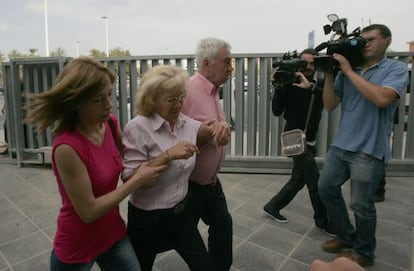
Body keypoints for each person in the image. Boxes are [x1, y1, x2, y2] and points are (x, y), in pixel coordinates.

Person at [24, 56, 165, 271]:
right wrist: (136, 181)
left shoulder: (109, 123)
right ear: (76, 102)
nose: (109, 104)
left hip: (112, 234)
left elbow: (133, 158)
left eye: (109, 94)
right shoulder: (67, 148)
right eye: (99, 99)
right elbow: (88, 212)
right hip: (77, 244)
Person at [318, 24, 409, 267]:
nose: (366, 43)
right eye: (363, 39)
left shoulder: (396, 69)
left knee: (361, 204)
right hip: (341, 145)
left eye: (372, 39)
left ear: (387, 41)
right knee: (326, 189)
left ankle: (364, 252)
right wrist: (329, 74)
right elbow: (329, 105)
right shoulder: (349, 70)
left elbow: (382, 99)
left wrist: (348, 72)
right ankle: (346, 236)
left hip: (369, 150)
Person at [122, 65, 217, 271]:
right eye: (171, 99)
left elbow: (208, 130)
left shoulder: (185, 123)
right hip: (147, 221)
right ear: (152, 99)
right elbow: (129, 180)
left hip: (181, 215)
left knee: (205, 267)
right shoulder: (138, 127)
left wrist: (221, 127)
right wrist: (168, 155)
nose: (178, 105)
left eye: (181, 97)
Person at [262, 49, 334, 236]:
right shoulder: (290, 84)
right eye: (305, 64)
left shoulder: (319, 85)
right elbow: (277, 111)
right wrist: (278, 86)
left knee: (298, 180)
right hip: (294, 138)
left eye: (312, 64)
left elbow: (328, 103)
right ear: (298, 64)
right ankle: (323, 221)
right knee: (315, 182)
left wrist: (310, 87)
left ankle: (272, 206)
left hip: (309, 139)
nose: (309, 68)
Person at [181, 37, 233, 271]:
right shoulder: (188, 90)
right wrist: (207, 133)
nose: (231, 67)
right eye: (226, 62)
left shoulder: (213, 91)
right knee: (181, 235)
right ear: (206, 64)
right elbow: (175, 132)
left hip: (210, 182)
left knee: (222, 227)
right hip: (190, 184)